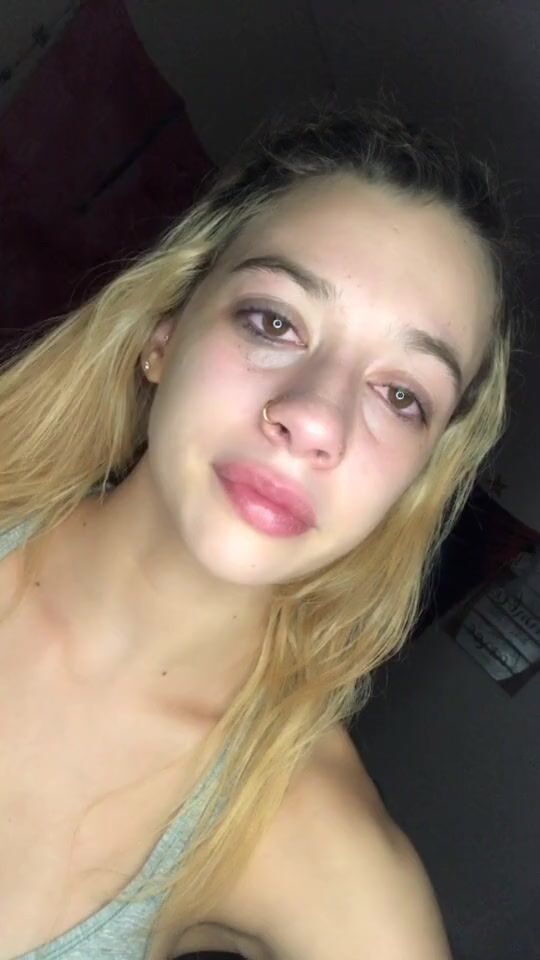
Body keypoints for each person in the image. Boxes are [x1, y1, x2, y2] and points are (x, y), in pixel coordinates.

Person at [0, 94, 518, 960]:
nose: (315, 419)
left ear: (417, 480)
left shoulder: (314, 841)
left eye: (401, 396)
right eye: (274, 322)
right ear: (164, 334)